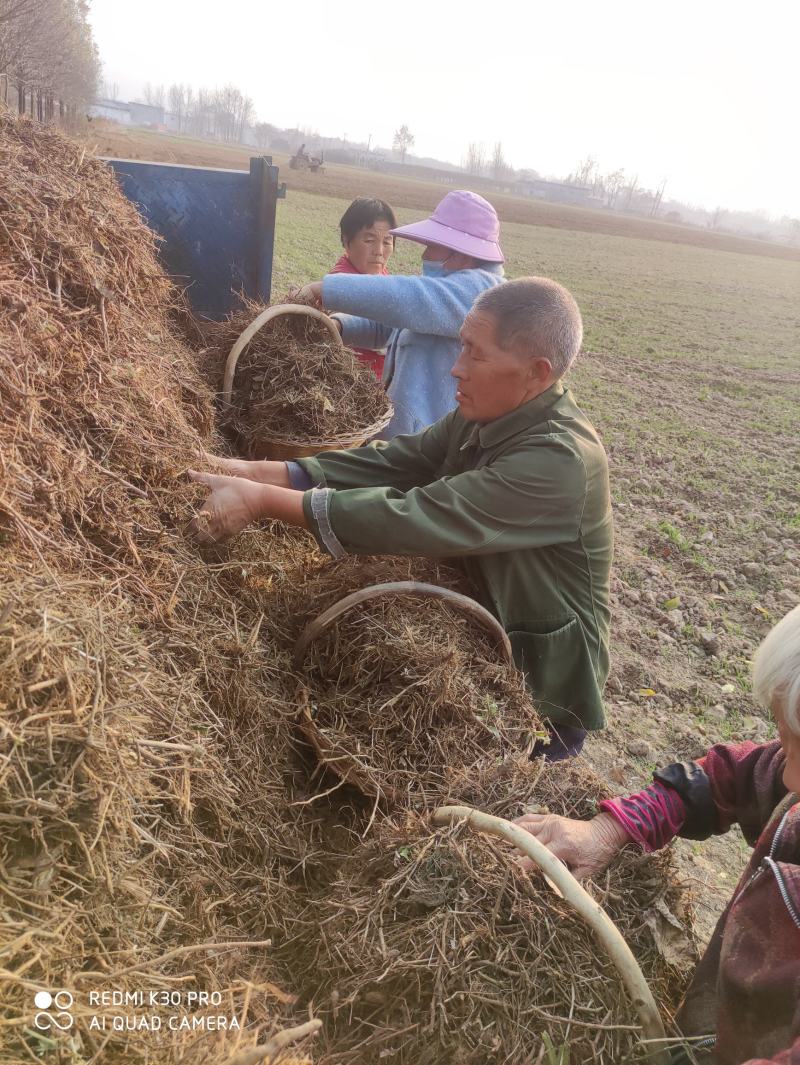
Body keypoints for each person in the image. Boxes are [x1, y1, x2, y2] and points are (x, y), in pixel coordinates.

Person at [187, 278, 613, 759]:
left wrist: (263, 502)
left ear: (536, 372)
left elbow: (418, 516)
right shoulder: (489, 412)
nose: (456, 368)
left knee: (500, 802)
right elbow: (397, 460)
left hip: (540, 685)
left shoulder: (559, 461)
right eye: (461, 348)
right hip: (483, 635)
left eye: (476, 354)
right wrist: (269, 472)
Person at [514, 603, 800, 1064]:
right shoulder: (792, 785)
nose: (787, 777)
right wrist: (610, 828)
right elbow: (729, 777)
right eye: (785, 738)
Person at [297, 189, 505, 438]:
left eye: (432, 246)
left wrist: (324, 289)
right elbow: (390, 327)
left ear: (460, 253)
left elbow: (410, 298)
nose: (424, 255)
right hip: (403, 444)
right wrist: (339, 326)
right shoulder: (446, 292)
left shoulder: (483, 294)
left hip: (431, 446)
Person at [326, 197, 397, 378]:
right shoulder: (339, 287)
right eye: (369, 240)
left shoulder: (381, 276)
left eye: (387, 242)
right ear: (347, 241)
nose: (379, 251)